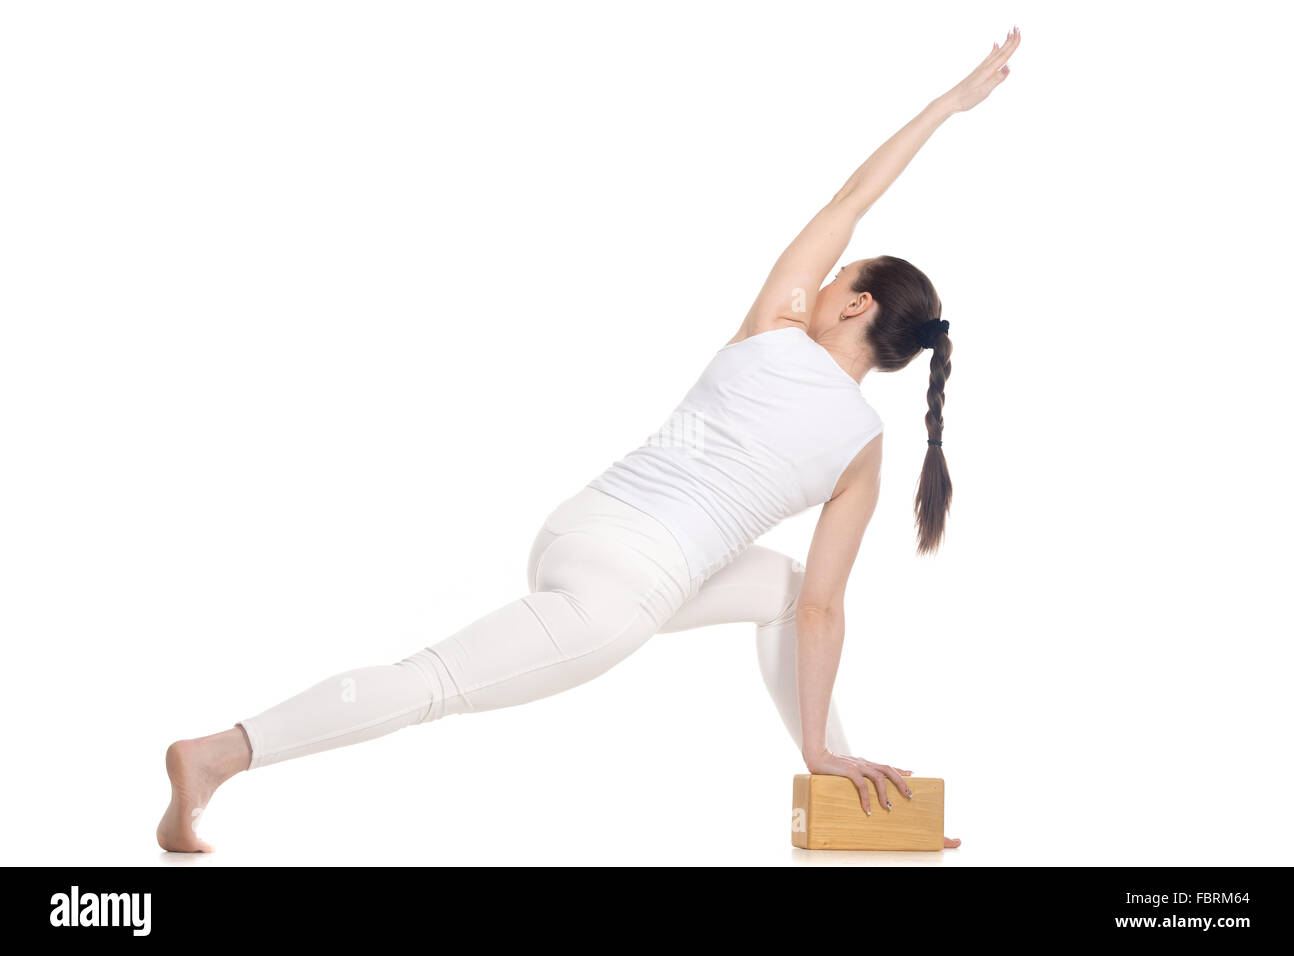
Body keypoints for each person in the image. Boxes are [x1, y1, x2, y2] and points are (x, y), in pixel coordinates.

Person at [158, 26, 1020, 853]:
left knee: (783, 588)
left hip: (581, 525)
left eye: (840, 274)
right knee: (433, 684)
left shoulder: (775, 326)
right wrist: (823, 745)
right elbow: (833, 612)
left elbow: (852, 196)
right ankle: (222, 753)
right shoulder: (862, 451)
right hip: (622, 591)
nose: (828, 276)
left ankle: (836, 787)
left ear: (853, 304)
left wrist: (950, 104)